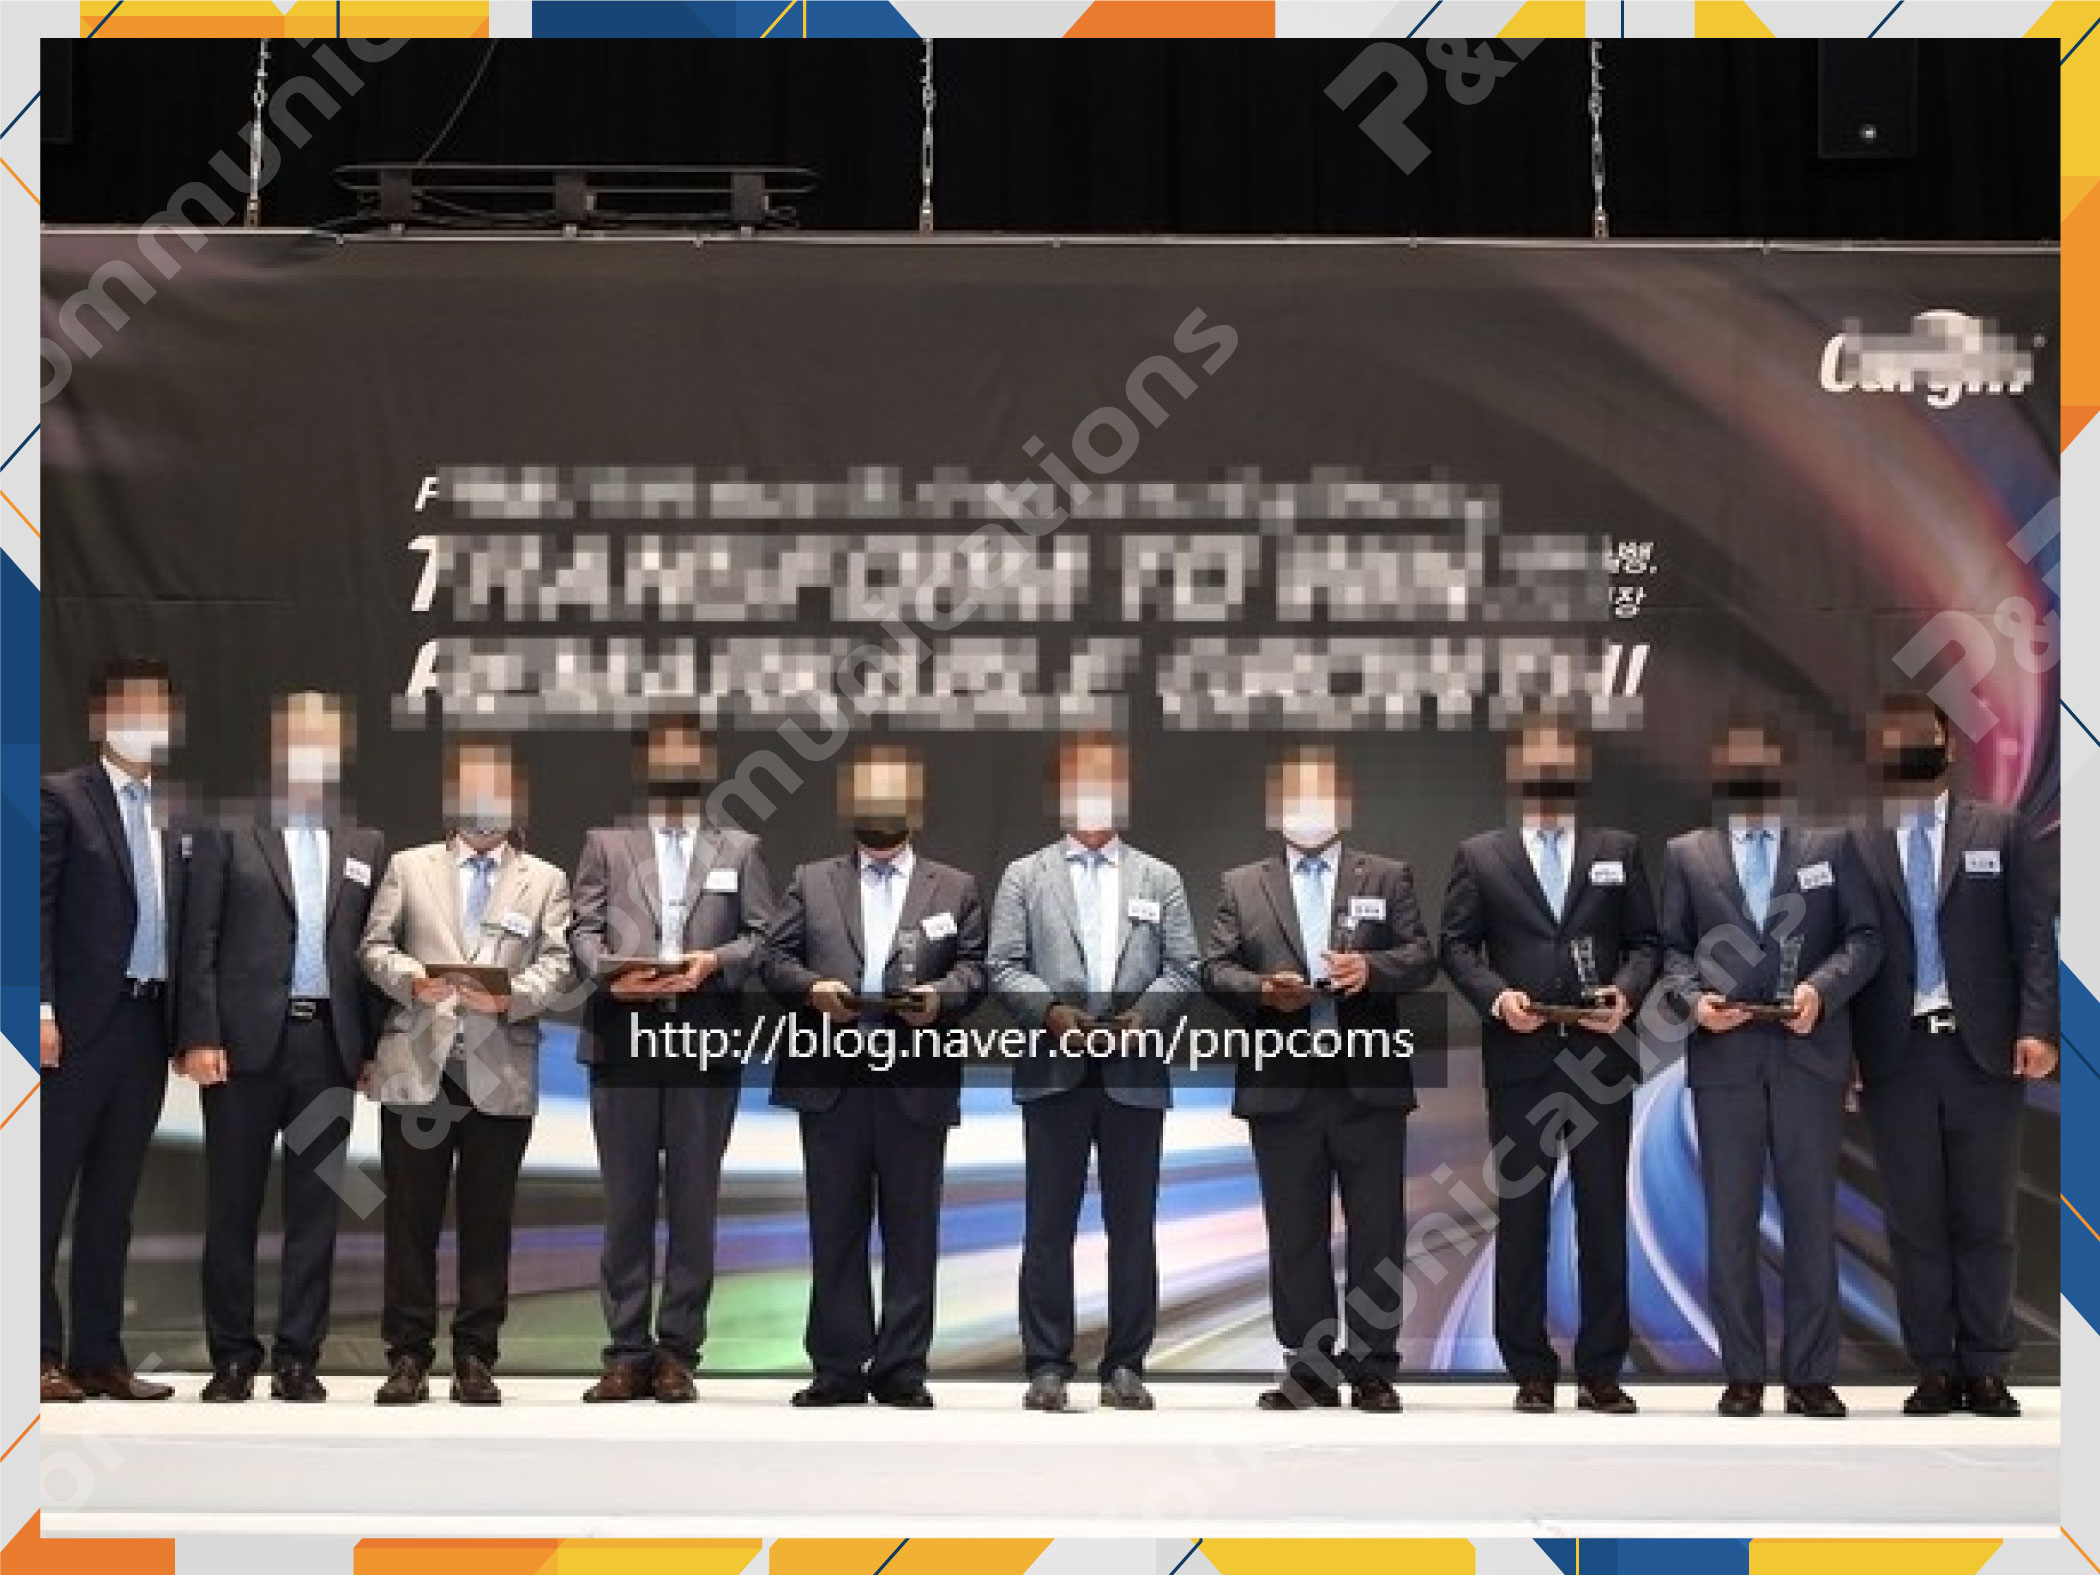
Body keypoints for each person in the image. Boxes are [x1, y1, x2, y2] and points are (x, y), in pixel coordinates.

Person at [1200, 744, 1437, 1412]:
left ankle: (1373, 1367)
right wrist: (1262, 989)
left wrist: (1373, 971)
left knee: (1377, 1231)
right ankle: (1309, 1369)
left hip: (1368, 1080)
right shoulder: (1242, 884)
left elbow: (1422, 957)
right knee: (1295, 1232)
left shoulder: (1386, 875)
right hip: (1282, 1083)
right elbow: (1214, 969)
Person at [1658, 720, 1881, 1419]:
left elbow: (1865, 937)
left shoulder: (1831, 848)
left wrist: (1822, 990)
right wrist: (1695, 1002)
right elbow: (1670, 950)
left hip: (1809, 1056)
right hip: (1725, 1061)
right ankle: (1743, 1373)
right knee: (1729, 1222)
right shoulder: (1686, 854)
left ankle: (1811, 1375)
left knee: (1812, 1217)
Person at [1439, 717, 1658, 1415]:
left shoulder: (1618, 849)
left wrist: (1626, 993)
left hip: (1600, 1058)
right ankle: (1530, 1368)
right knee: (1523, 1214)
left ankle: (1601, 1370)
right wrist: (1498, 999)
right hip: (1521, 1057)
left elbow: (1646, 942)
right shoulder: (1481, 855)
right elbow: (1456, 946)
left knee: (1603, 1214)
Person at [1849, 692, 2058, 1417]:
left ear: (1948, 745)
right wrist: (1847, 1051)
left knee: (1986, 1218)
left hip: (1984, 1053)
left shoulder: (1999, 829)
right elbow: (1850, 951)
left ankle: (1987, 1367)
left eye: (1922, 735)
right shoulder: (1859, 843)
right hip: (1895, 1056)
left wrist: (2038, 1026)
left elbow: (2034, 935)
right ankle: (1934, 1368)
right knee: (1914, 1221)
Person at [761, 743, 987, 1409]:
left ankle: (902, 1369)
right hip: (831, 1078)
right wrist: (812, 989)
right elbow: (774, 958)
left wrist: (940, 997)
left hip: (915, 1078)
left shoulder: (955, 886)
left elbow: (976, 968)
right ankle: (836, 1368)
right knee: (835, 1228)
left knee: (913, 1232)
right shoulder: (810, 880)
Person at [177, 692, 386, 1402]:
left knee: (316, 1210)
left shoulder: (363, 844)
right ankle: (233, 1356)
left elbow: (370, 955)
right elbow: (199, 940)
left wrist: (370, 1046)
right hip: (240, 1048)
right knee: (232, 1206)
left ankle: (299, 1357)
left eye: (323, 739)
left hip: (327, 1046)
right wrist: (200, 1033)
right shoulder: (228, 833)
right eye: (299, 736)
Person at [358, 738, 575, 1406]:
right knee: (410, 1219)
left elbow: (559, 963)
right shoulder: (408, 865)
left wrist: (511, 997)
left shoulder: (545, 879)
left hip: (498, 1067)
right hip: (419, 1064)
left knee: (488, 1220)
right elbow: (374, 946)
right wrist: (412, 979)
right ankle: (407, 1356)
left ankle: (476, 1356)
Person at [988, 733, 1199, 1413]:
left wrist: (1144, 1016)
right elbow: (1003, 965)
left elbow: (1184, 968)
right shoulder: (1025, 875)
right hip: (1054, 1067)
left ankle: (1126, 1366)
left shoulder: (1160, 877)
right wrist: (1050, 1011)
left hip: (1134, 1071)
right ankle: (1047, 1365)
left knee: (1132, 1228)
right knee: (1047, 1225)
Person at [569, 717, 777, 1404]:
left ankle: (677, 1353)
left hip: (703, 1039)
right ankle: (626, 1352)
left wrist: (714, 960)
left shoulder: (740, 848)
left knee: (693, 1205)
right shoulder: (605, 843)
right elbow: (582, 928)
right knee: (625, 1205)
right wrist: (608, 973)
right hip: (623, 1039)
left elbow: (763, 936)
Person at [39, 658, 190, 1402]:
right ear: (101, 717)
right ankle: (34, 1355)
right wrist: (38, 1011)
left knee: (112, 1201)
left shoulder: (177, 813)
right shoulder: (62, 797)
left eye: (157, 709)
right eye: (132, 707)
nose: (146, 722)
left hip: (145, 1025)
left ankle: (98, 1356)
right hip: (71, 1027)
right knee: (41, 1194)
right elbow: (28, 911)